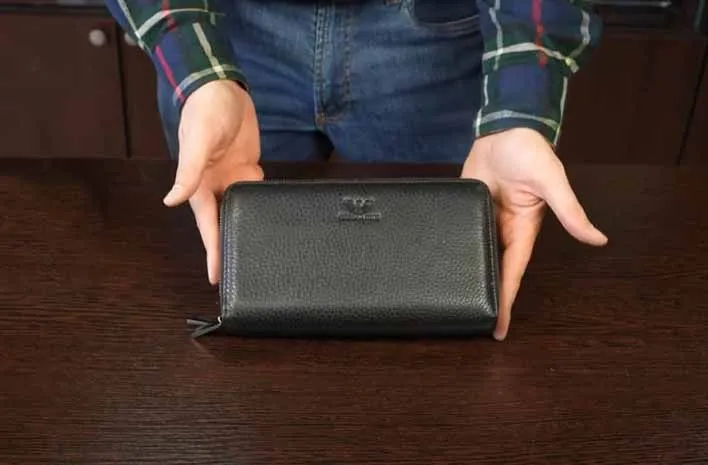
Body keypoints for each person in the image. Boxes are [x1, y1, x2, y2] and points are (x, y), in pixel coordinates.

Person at [105, 0, 609, 341]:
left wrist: (519, 112)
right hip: (229, 30)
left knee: (443, 288)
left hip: (437, 34)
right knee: (247, 284)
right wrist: (198, 71)